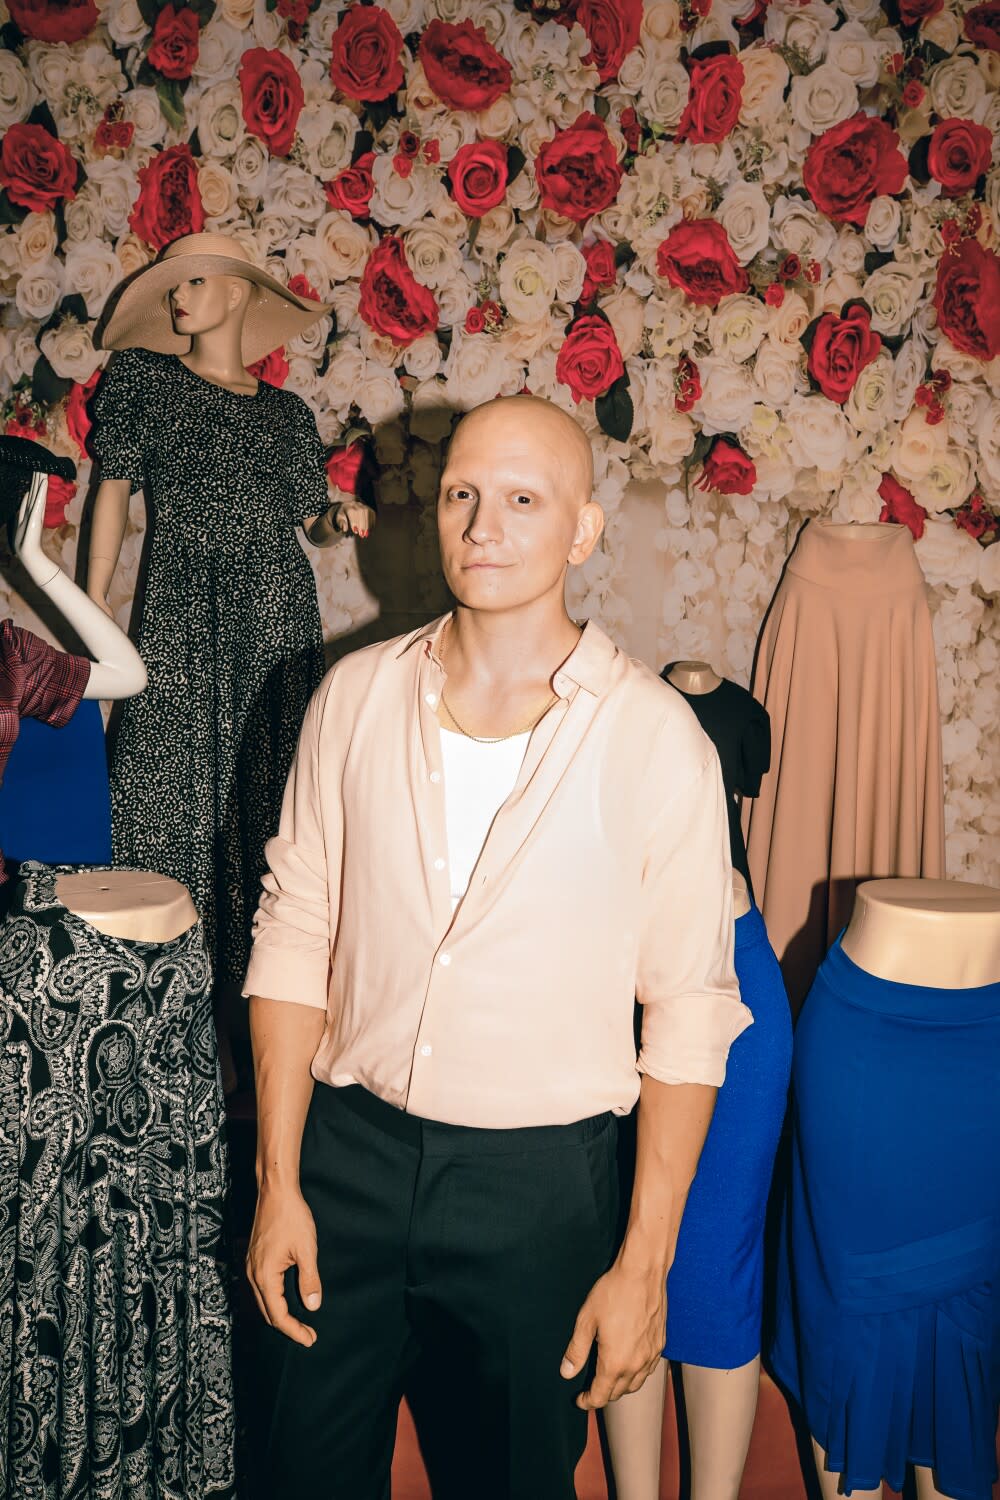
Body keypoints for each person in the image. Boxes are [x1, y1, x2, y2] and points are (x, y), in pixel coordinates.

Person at [243, 395, 751, 1499]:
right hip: (347, 1164)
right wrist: (280, 1180)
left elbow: (691, 1012)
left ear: (582, 531)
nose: (483, 524)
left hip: (538, 1189)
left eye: (524, 500)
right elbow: (293, 931)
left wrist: (643, 1265)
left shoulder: (656, 743)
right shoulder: (352, 698)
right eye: (464, 493)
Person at [88, 233, 375, 1084]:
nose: (181, 297)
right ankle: (156, 1045)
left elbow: (306, 519)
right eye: (172, 286)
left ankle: (267, 1055)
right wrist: (92, 611)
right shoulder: (146, 382)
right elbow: (112, 491)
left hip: (276, 621)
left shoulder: (287, 416)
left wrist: (340, 518)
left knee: (277, 812)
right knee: (161, 801)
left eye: (198, 281)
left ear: (241, 296)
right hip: (180, 611)